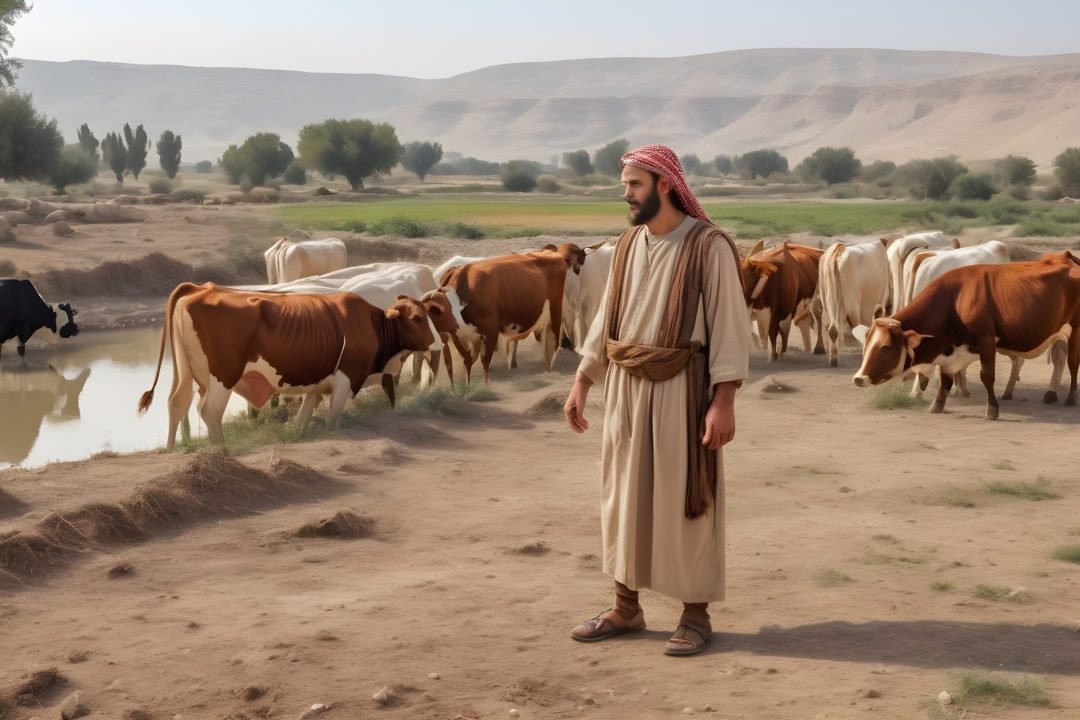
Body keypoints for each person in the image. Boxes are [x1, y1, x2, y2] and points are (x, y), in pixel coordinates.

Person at [563, 144, 749, 656]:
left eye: (634, 184)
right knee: (623, 497)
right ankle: (625, 607)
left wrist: (724, 399)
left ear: (666, 184)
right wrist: (583, 380)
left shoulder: (708, 246)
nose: (626, 194)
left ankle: (694, 614)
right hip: (625, 390)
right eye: (625, 185)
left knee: (687, 500)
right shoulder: (626, 245)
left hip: (682, 390)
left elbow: (730, 327)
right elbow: (607, 321)